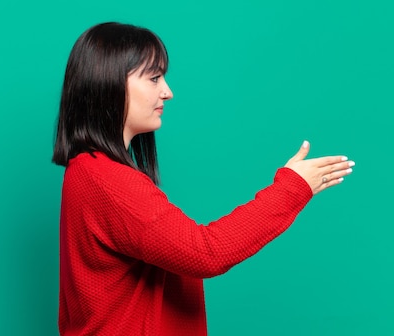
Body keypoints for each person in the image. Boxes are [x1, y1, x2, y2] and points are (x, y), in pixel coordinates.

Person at [53, 22, 354, 336]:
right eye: (154, 78)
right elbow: (205, 253)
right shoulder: (106, 179)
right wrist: (293, 187)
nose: (167, 92)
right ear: (109, 83)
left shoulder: (90, 170)